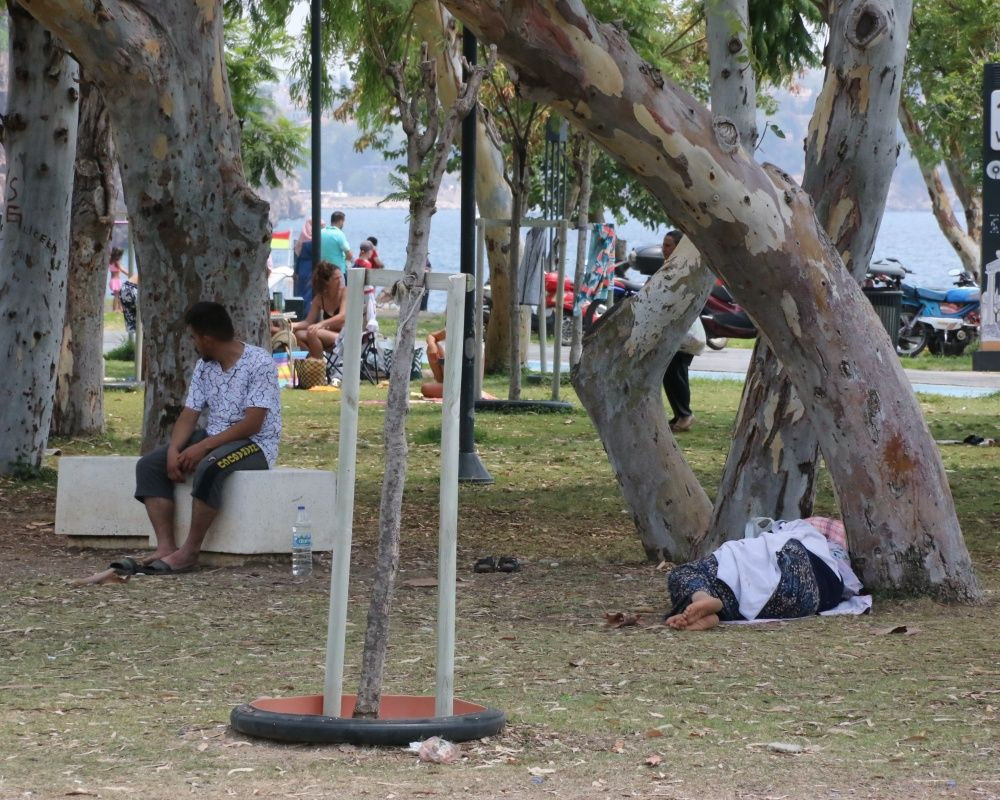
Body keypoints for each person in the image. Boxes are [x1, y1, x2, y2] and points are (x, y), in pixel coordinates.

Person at [129, 302, 282, 574]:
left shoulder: (260, 363)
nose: (194, 344)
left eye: (194, 338)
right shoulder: (204, 366)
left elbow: (253, 423)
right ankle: (166, 547)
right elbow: (189, 414)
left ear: (207, 339)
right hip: (214, 437)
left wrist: (203, 447)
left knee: (210, 466)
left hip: (255, 444)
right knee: (149, 465)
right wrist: (174, 450)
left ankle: (189, 551)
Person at [664, 519, 862, 631]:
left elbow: (787, 530)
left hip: (796, 562)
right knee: (732, 592)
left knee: (684, 573)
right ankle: (714, 612)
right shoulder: (842, 560)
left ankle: (705, 600)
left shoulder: (804, 529)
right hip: (818, 597)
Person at [660, 230, 698, 432]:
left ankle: (685, 415)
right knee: (669, 373)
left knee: (677, 372)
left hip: (682, 330)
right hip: (671, 330)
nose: (663, 249)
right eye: (663, 245)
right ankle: (679, 415)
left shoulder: (683, 268)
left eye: (668, 245)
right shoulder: (670, 266)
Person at [292, 261, 346, 358]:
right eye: (336, 278)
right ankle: (311, 362)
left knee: (313, 332)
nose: (341, 280)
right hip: (330, 335)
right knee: (298, 335)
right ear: (327, 282)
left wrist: (320, 324)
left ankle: (318, 368)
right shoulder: (319, 299)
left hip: (345, 336)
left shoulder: (345, 292)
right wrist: (292, 325)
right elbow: (308, 322)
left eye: (341, 276)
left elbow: (342, 316)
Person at [108, 247, 125, 312]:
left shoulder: (111, 262)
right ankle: (115, 309)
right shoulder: (116, 262)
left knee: (118, 295)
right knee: (117, 295)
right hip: (116, 281)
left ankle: (120, 308)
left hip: (112, 280)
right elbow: (122, 269)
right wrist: (129, 273)